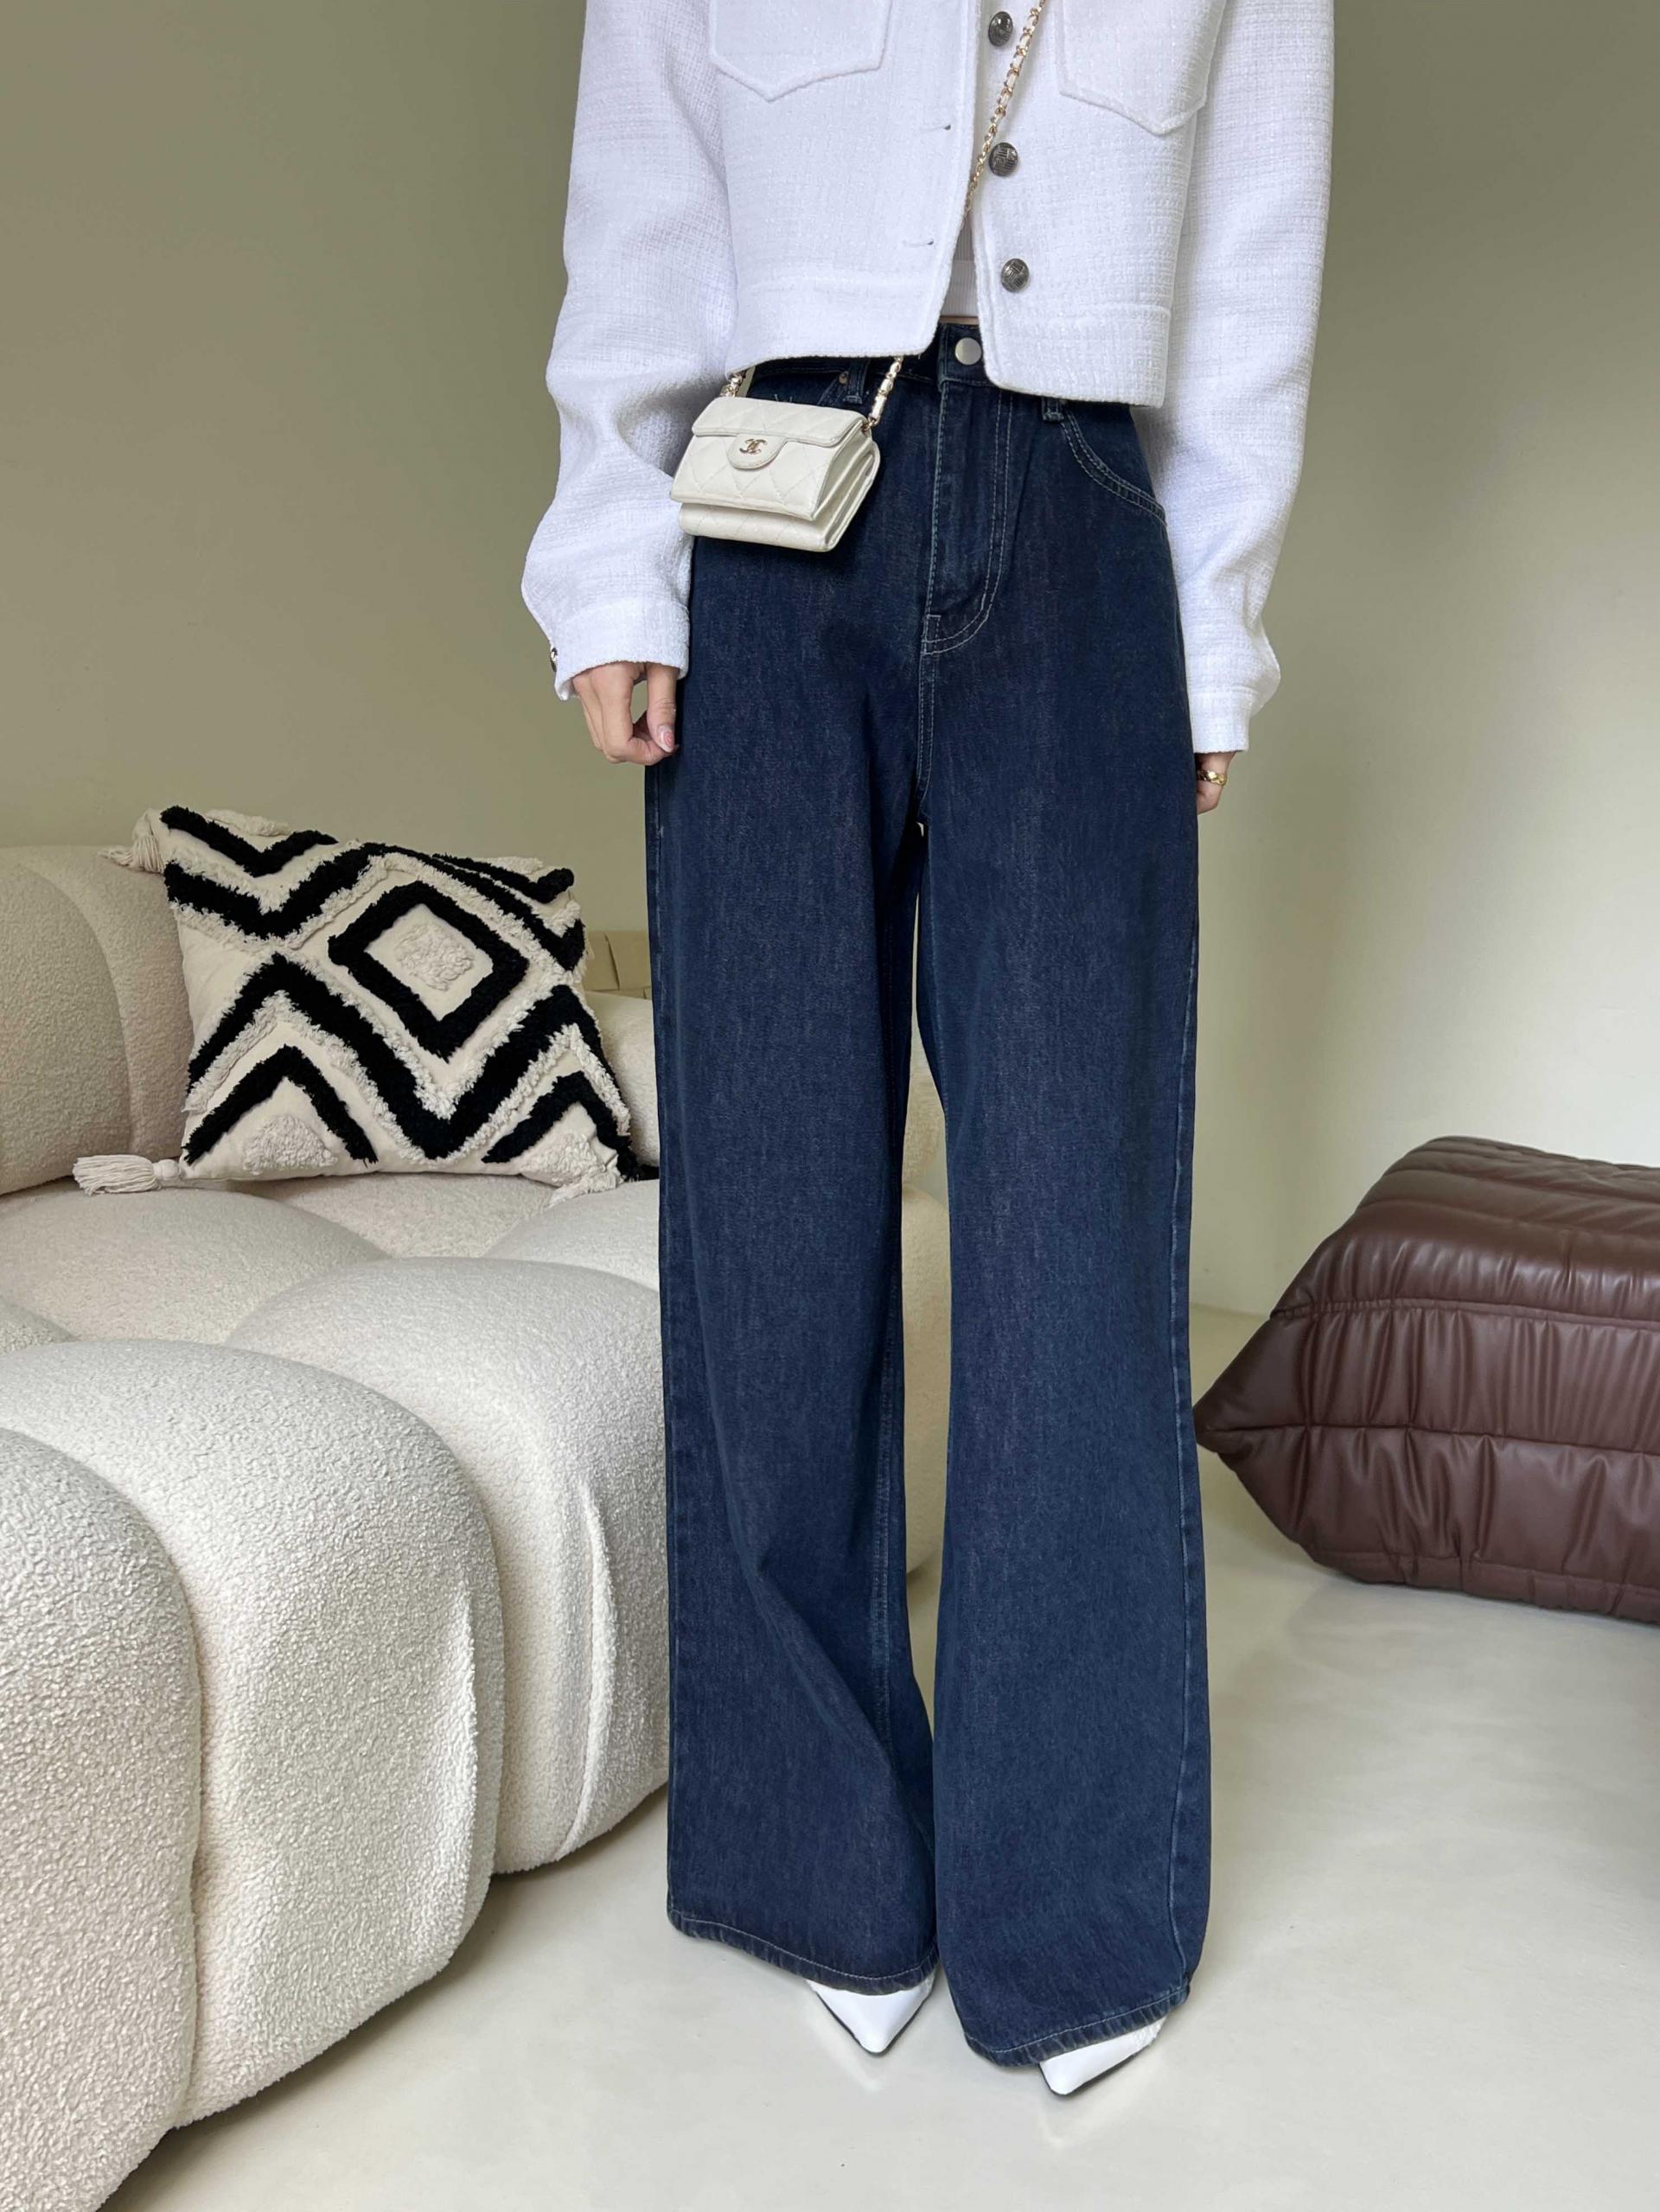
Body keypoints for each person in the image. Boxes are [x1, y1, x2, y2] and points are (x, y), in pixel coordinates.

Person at [523, 0, 1332, 2094]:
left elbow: (1254, 239)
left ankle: (1070, 1907)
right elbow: (645, 178)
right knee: (778, 1210)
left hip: (1082, 506)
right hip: (767, 507)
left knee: (1075, 1232)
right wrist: (609, 559)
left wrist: (1213, 633)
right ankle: (824, 1865)